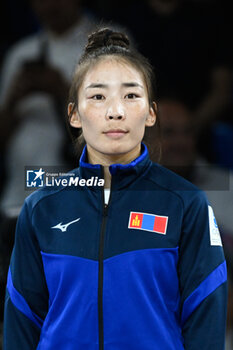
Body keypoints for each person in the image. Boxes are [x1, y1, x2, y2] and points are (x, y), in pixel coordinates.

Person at [3, 28, 227, 350]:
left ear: (151, 113)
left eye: (131, 95)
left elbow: (206, 316)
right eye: (97, 96)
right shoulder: (41, 208)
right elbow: (22, 321)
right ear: (74, 115)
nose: (115, 111)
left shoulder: (186, 204)